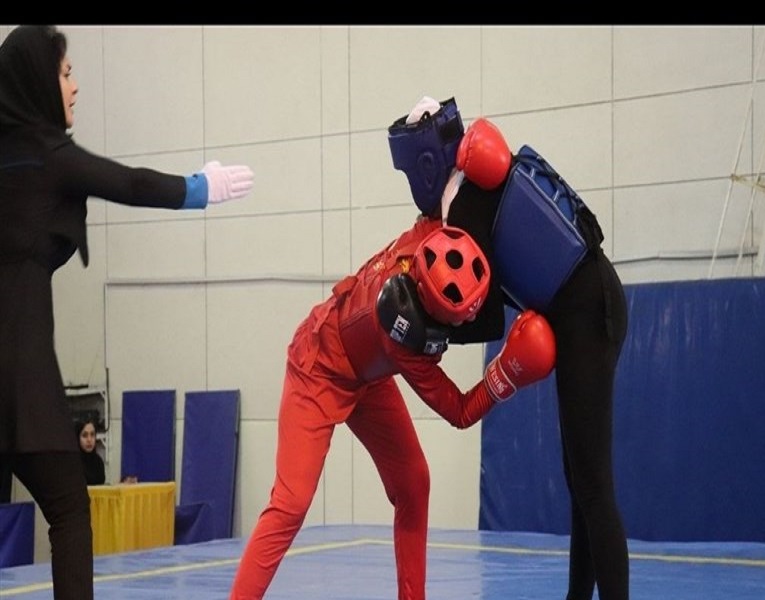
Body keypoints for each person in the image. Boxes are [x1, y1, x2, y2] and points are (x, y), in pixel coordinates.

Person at [0, 25, 254, 600]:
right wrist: (200, 187)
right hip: (19, 372)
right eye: (65, 73)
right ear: (38, 80)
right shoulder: (45, 155)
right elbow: (129, 182)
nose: (75, 86)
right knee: (69, 511)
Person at [229, 222, 557, 599]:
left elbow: (437, 195)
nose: (469, 321)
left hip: (368, 377)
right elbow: (460, 411)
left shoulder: (427, 233)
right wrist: (505, 375)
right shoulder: (405, 339)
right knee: (291, 503)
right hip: (317, 369)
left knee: (413, 483)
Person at [389, 96, 630, 600]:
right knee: (581, 481)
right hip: (593, 302)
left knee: (593, 485)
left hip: (587, 314)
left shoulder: (464, 204)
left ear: (425, 165)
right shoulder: (478, 184)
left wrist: (426, 331)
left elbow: (483, 314)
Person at [75, 417, 105, 486]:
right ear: (77, 438)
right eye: (84, 435)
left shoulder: (98, 462)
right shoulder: (73, 463)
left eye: (92, 435)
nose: (89, 440)